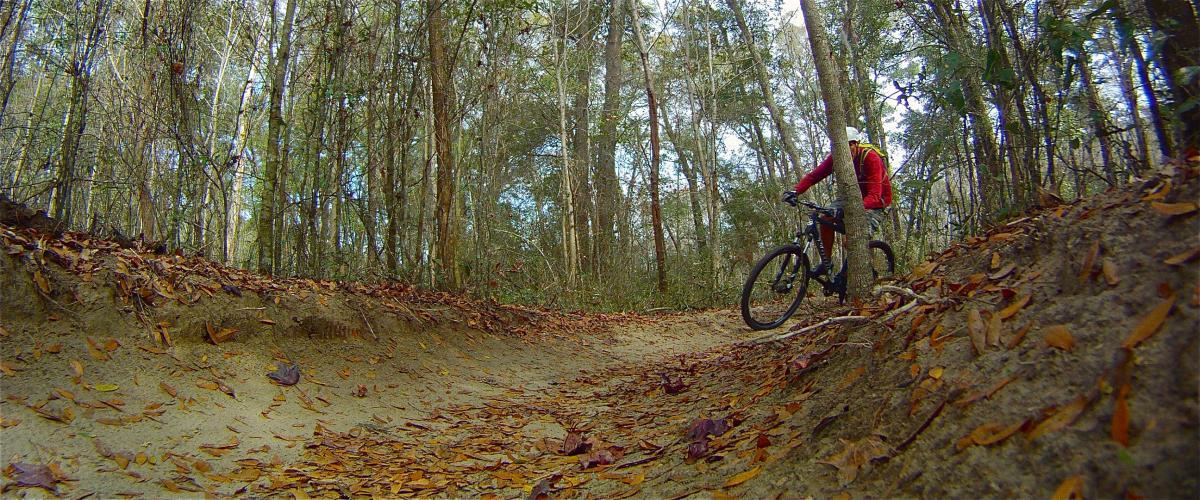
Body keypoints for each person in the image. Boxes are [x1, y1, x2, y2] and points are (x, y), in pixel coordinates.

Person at [782, 127, 892, 276]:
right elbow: (814, 176)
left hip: (877, 203)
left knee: (851, 241)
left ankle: (861, 274)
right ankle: (826, 262)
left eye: (850, 145)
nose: (846, 151)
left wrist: (849, 210)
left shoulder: (870, 158)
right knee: (826, 217)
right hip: (850, 198)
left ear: (856, 144)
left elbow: (874, 196)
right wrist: (795, 191)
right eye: (841, 147)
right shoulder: (837, 158)